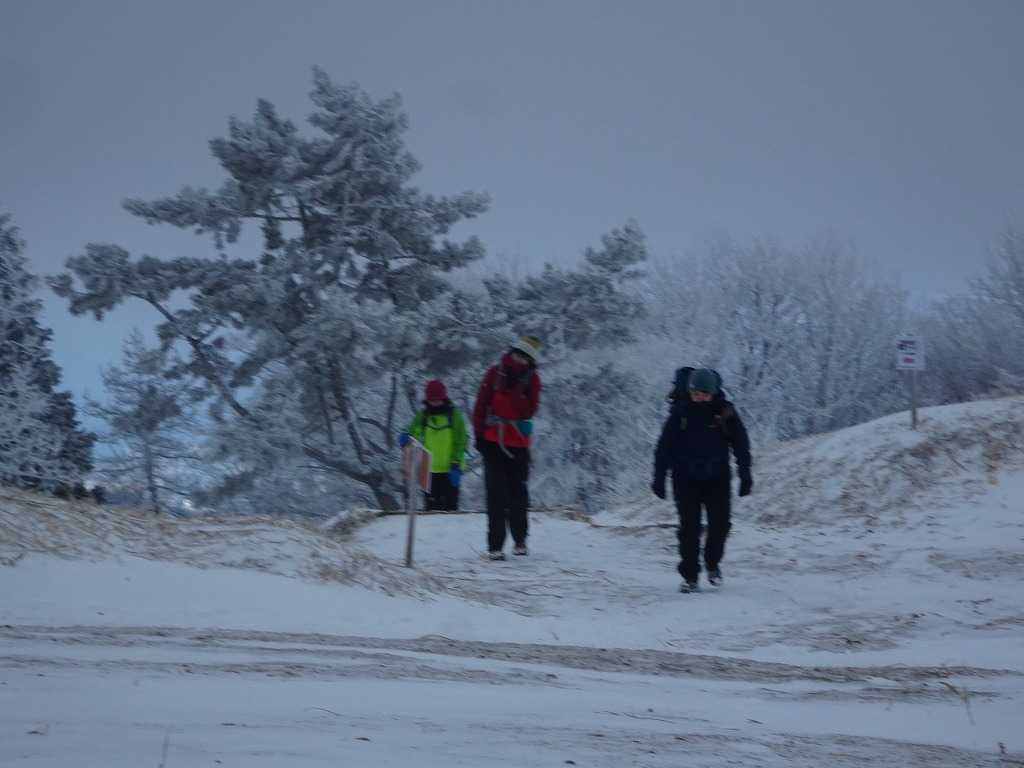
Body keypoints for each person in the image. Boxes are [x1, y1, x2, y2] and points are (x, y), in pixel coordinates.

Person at [652, 367, 752, 593]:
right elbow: (665, 447)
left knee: (720, 524)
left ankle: (712, 563)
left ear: (713, 393)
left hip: (717, 477)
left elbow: (741, 444)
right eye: (695, 394)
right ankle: (690, 576)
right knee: (689, 528)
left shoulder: (725, 412)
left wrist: (745, 474)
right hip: (685, 478)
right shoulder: (680, 413)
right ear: (689, 392)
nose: (699, 398)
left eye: (704, 394)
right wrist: (659, 477)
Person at [472, 335, 542, 560]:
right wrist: (478, 434)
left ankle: (520, 539)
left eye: (524, 358)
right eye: (517, 355)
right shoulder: (495, 373)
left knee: (518, 492)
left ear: (530, 361)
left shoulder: (533, 379)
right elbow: (481, 404)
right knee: (495, 492)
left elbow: (527, 411)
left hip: (519, 443)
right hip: (493, 439)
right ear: (512, 353)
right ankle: (495, 545)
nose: (519, 360)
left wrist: (514, 389)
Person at [399, 379, 468, 511]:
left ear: (444, 398)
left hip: (450, 469)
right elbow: (413, 432)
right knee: (431, 509)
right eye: (432, 400)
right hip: (429, 471)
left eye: (438, 400)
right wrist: (406, 437)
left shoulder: (454, 416)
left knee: (450, 508)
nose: (435, 403)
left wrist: (456, 463)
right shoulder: (424, 416)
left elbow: (460, 442)